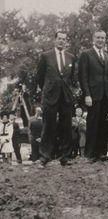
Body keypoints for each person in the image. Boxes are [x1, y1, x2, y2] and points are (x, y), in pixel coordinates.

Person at [36, 30, 76, 167]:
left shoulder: (71, 57)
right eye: (59, 38)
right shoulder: (46, 56)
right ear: (54, 40)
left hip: (66, 96)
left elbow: (71, 78)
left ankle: (64, 157)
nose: (61, 41)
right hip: (50, 96)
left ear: (66, 41)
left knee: (66, 127)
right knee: (48, 127)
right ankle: (44, 158)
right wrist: (48, 89)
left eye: (64, 39)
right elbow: (39, 78)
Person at [78, 30, 108, 163]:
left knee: (103, 124)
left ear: (105, 39)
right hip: (93, 95)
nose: (100, 40)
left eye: (103, 38)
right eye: (98, 37)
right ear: (93, 38)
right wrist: (87, 94)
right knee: (92, 123)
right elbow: (83, 76)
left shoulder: (107, 56)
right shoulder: (86, 54)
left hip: (105, 95)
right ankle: (90, 154)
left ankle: (100, 152)